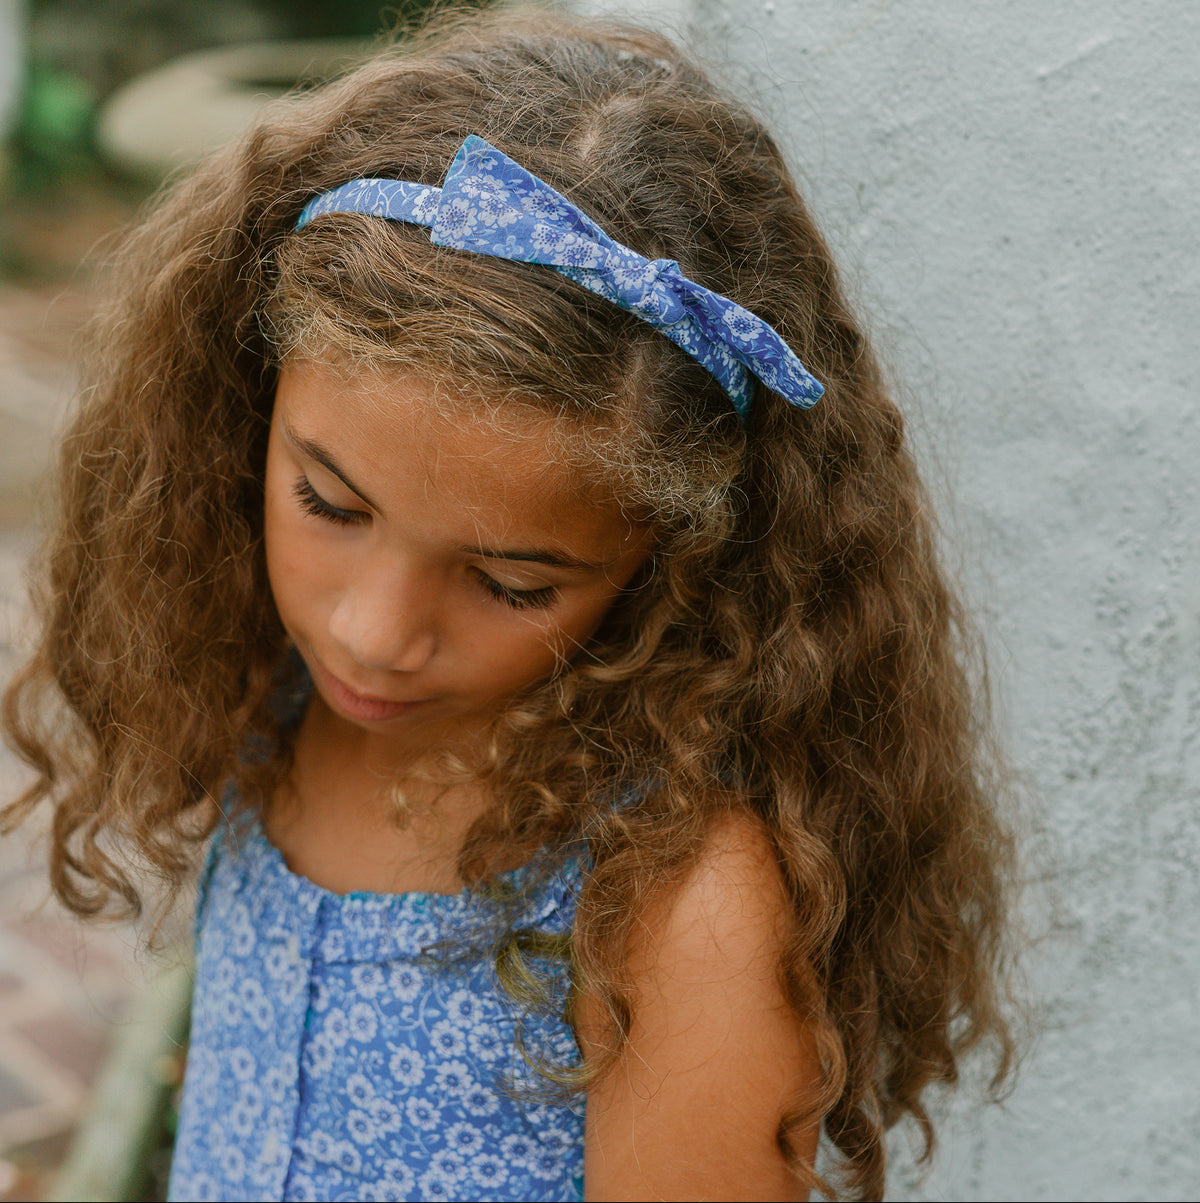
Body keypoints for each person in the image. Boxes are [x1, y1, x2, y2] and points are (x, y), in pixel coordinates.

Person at [1, 7, 1018, 1201]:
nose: (371, 632)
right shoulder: (267, 688)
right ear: (246, 404)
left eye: (509, 583)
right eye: (329, 505)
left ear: (680, 554)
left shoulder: (674, 907)